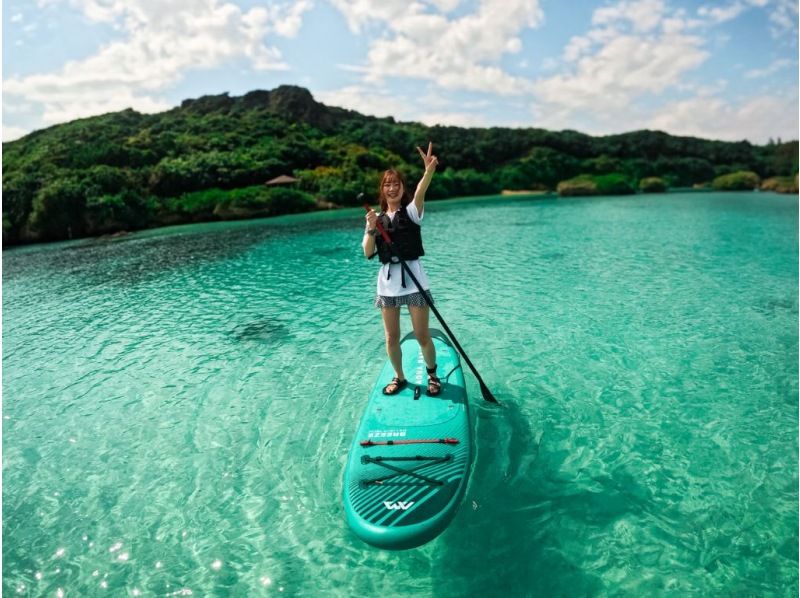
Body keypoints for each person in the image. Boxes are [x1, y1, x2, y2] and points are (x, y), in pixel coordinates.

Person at [362, 142, 440, 396]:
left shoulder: (412, 211)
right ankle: (399, 377)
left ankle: (432, 374)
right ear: (382, 190)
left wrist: (428, 171)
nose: (392, 188)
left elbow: (421, 190)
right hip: (387, 284)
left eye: (396, 184)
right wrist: (371, 228)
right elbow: (367, 252)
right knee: (391, 336)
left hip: (414, 278)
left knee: (421, 334)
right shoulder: (376, 218)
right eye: (387, 184)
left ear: (402, 188)